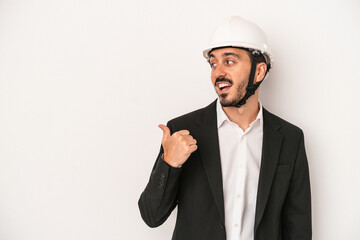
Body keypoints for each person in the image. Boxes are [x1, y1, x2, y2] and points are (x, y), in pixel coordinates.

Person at [138, 16, 312, 240]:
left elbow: (298, 227)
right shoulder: (183, 130)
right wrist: (169, 164)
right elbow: (152, 216)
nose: (217, 72)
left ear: (259, 72)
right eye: (213, 63)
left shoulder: (290, 138)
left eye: (229, 61)